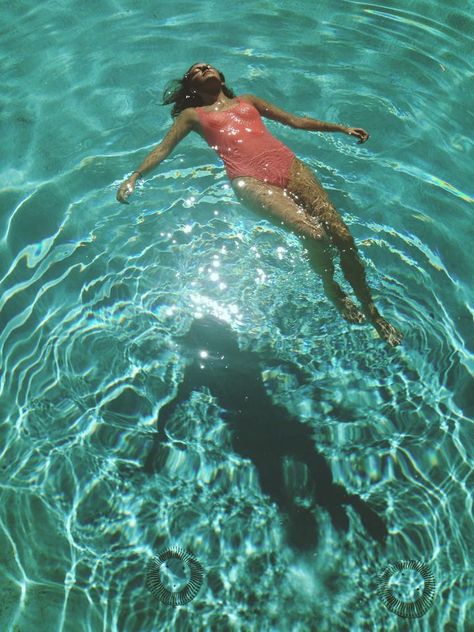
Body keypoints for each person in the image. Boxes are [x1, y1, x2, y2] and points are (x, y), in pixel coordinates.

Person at [116, 62, 402, 345]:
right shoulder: (193, 115)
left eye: (208, 65)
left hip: (289, 166)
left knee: (343, 237)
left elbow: (295, 121)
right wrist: (135, 176)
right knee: (314, 234)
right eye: (196, 70)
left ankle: (373, 312)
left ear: (221, 76)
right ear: (191, 86)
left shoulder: (248, 101)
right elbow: (164, 148)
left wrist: (340, 128)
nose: (204, 68)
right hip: (249, 179)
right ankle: (331, 287)